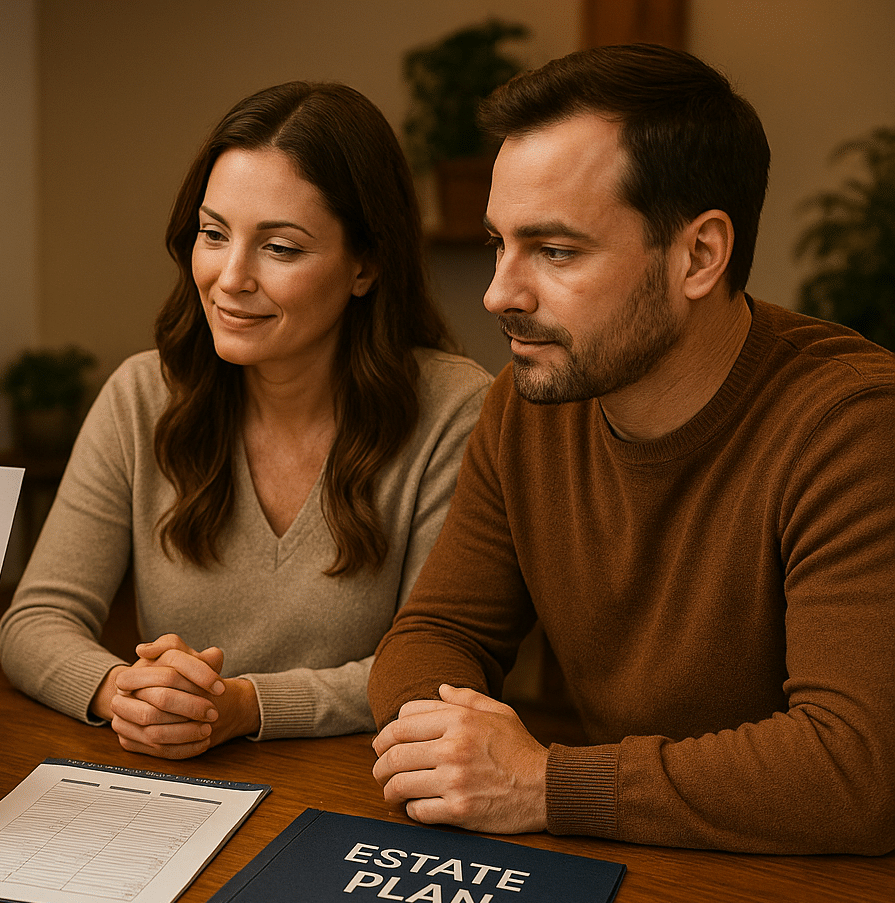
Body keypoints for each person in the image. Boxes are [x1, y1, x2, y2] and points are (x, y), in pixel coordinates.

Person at [368, 44, 895, 855]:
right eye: (497, 243)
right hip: (635, 862)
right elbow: (436, 633)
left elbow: (855, 770)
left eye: (555, 251)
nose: (499, 293)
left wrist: (543, 783)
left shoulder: (854, 427)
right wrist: (452, 750)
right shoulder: (529, 400)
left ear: (699, 255)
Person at [0, 82, 491, 758]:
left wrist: (245, 706)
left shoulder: (455, 409)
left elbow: (437, 671)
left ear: (366, 265)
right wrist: (127, 691)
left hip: (361, 793)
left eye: (281, 247)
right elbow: (34, 621)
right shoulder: (143, 394)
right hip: (178, 791)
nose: (230, 277)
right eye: (213, 234)